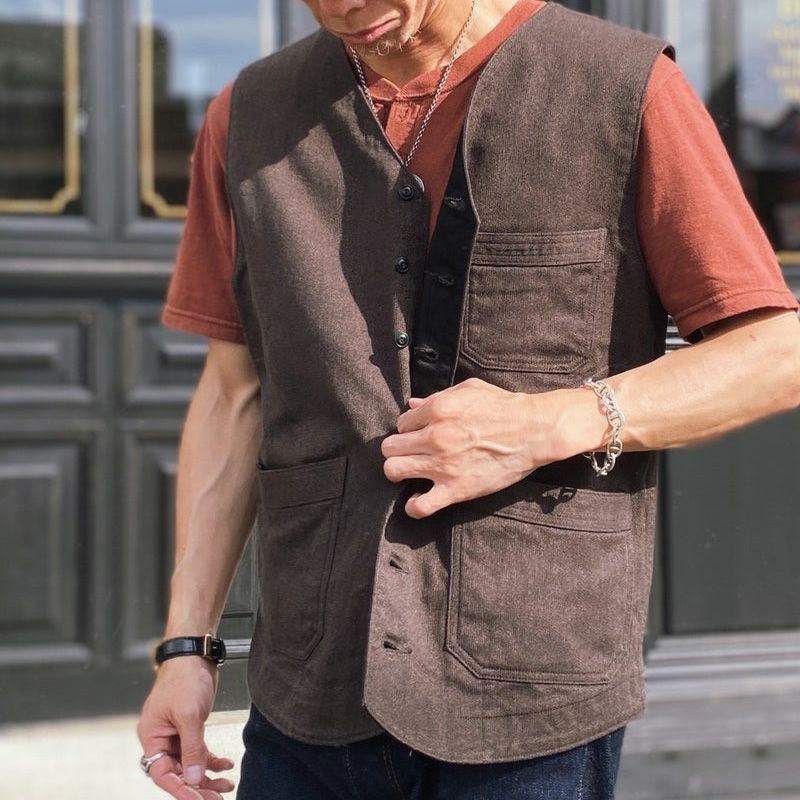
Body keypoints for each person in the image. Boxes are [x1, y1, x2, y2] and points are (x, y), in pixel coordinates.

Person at [136, 0, 800, 797]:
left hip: (530, 693)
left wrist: (549, 422)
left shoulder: (624, 88)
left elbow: (774, 355)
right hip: (309, 690)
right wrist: (186, 647)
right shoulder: (246, 115)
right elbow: (232, 395)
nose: (345, 6)